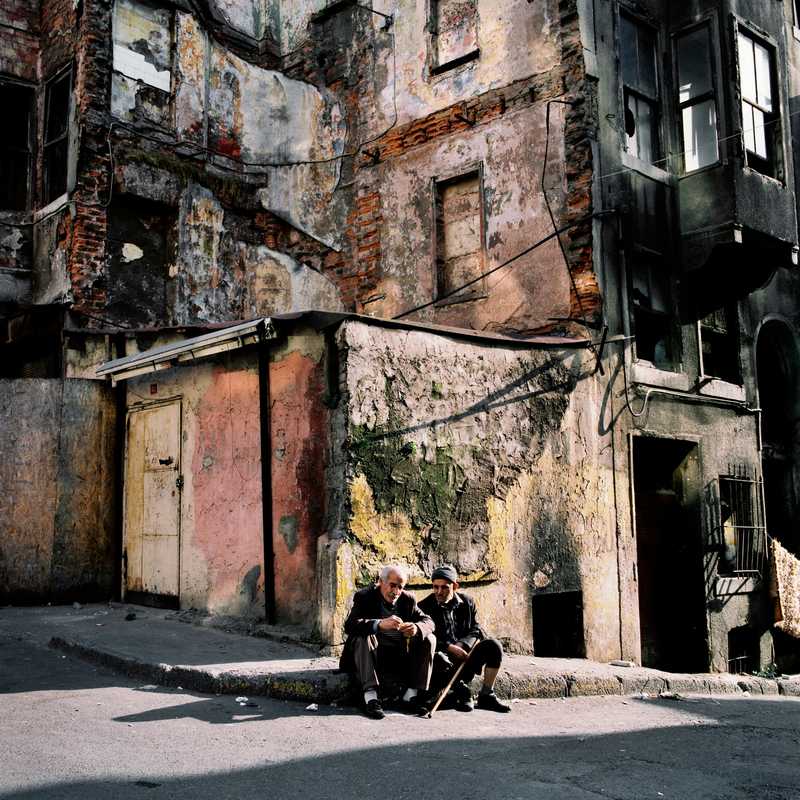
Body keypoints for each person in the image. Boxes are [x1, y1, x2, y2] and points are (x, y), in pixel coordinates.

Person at [339, 564, 436, 720]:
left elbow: (429, 622)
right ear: (380, 582)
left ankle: (410, 695)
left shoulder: (407, 599)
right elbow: (350, 626)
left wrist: (416, 628)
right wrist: (378, 624)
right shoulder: (364, 596)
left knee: (430, 638)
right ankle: (370, 697)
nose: (396, 591)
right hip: (371, 654)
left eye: (400, 587)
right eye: (392, 585)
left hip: (397, 656)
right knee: (364, 634)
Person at [419, 565, 510, 713]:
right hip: (441, 659)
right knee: (439, 659)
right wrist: (450, 647)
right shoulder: (424, 606)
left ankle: (487, 695)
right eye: (435, 587)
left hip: (465, 655)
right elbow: (423, 636)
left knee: (494, 646)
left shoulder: (467, 603)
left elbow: (477, 629)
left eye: (444, 588)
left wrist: (463, 644)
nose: (439, 592)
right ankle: (460, 690)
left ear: (455, 586)